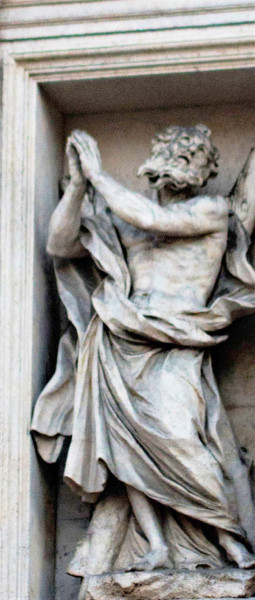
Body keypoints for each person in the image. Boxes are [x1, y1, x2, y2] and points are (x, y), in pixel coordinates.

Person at [32, 125, 255, 572]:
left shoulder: (211, 211)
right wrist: (77, 186)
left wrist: (98, 176)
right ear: (157, 162)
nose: (182, 165)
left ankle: (231, 539)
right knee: (126, 447)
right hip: (120, 338)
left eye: (192, 158)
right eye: (175, 154)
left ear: (205, 172)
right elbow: (59, 243)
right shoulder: (122, 220)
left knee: (179, 440)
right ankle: (154, 544)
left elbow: (155, 221)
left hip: (177, 341)